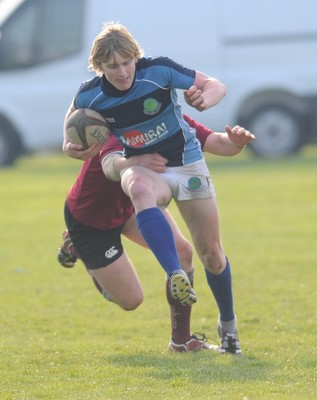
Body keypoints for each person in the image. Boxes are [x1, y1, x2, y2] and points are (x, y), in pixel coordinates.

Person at [62, 22, 255, 354]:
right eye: (112, 67)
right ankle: (171, 274)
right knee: (132, 295)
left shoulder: (162, 84)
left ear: (137, 57)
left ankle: (207, 334)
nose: (122, 72)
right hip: (93, 216)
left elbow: (214, 96)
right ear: (99, 67)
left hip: (172, 178)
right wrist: (77, 149)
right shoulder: (98, 110)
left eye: (127, 63)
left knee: (210, 254)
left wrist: (222, 121)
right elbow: (104, 162)